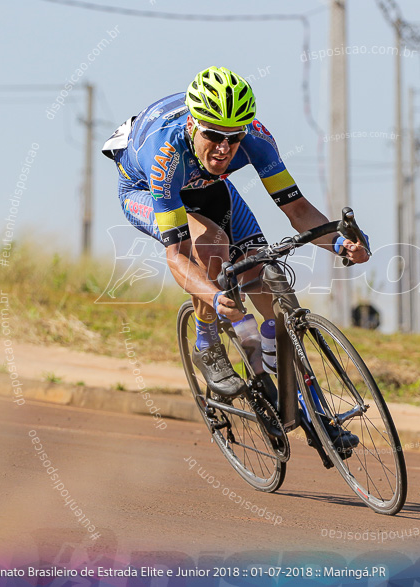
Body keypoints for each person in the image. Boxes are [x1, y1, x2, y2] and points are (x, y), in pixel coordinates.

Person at [102, 66, 367, 446]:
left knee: (272, 289)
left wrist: (341, 243)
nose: (225, 148)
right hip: (146, 191)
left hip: (208, 187)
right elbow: (177, 257)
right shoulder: (166, 156)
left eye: (234, 137)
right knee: (209, 243)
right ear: (193, 125)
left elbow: (298, 211)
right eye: (213, 135)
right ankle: (207, 343)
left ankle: (315, 414)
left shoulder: (257, 140)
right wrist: (213, 297)